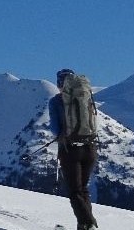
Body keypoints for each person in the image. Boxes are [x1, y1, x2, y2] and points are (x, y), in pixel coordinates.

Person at [49, 68, 99, 230]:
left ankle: (89, 223)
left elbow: (55, 129)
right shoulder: (86, 97)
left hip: (70, 150)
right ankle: (83, 226)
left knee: (74, 191)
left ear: (59, 84)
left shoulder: (56, 101)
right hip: (90, 148)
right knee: (83, 189)